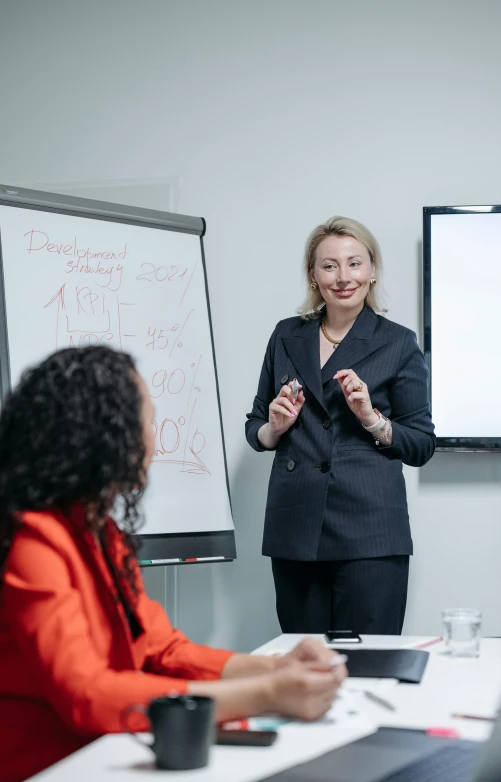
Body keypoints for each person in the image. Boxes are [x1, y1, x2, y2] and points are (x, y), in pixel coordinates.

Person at [0, 346, 346, 782]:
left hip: (110, 750)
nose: (153, 435)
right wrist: (268, 693)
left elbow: (165, 651)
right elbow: (87, 693)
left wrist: (280, 667)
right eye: (145, 419)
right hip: (48, 766)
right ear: (104, 436)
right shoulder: (35, 539)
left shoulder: (101, 532)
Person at [246, 216, 435, 636]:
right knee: (307, 669)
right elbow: (257, 425)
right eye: (329, 265)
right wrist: (275, 427)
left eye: (354, 263)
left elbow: (421, 444)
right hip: (296, 526)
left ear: (371, 271)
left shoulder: (398, 342)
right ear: (313, 275)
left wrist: (371, 418)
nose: (343, 277)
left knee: (369, 668)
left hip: (370, 530)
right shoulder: (286, 335)